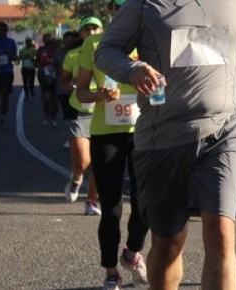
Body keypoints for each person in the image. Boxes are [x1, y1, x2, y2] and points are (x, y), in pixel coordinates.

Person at [95, 0, 236, 289]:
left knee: (221, 232)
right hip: (163, 137)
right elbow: (106, 51)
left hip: (224, 128)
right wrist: (133, 69)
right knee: (168, 242)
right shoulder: (144, 4)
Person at [77, 1, 149, 289]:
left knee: (145, 204)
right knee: (112, 208)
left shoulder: (149, 37)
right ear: (110, 8)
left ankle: (131, 253)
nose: (124, 10)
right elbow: (81, 92)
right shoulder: (94, 43)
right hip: (106, 133)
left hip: (143, 130)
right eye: (119, 5)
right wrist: (99, 96)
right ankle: (110, 270)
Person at [60, 16, 103, 216]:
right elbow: (64, 82)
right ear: (81, 33)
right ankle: (76, 178)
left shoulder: (108, 52)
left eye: (95, 29)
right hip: (78, 110)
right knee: (83, 161)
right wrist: (74, 86)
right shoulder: (72, 55)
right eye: (87, 29)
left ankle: (91, 201)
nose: (91, 32)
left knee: (100, 160)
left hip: (102, 111)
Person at [54, 30, 81, 148]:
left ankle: (79, 136)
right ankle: (69, 137)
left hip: (81, 89)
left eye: (71, 38)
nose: (69, 41)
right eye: (67, 39)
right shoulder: (61, 52)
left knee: (78, 114)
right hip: (64, 90)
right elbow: (55, 66)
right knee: (68, 114)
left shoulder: (85, 51)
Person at [36, 33, 60, 127]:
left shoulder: (58, 50)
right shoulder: (41, 50)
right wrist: (41, 69)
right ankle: (46, 116)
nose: (48, 42)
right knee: (47, 98)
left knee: (55, 100)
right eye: (46, 39)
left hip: (57, 77)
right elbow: (36, 62)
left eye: (50, 40)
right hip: (44, 76)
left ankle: (53, 118)